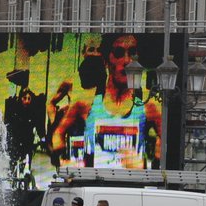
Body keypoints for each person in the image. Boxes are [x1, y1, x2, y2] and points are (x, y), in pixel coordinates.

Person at [49, 34, 163, 170]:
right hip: (94, 189)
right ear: (106, 60)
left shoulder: (148, 104)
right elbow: (58, 134)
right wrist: (64, 162)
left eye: (132, 53)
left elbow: (167, 143)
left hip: (131, 189)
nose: (127, 60)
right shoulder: (86, 101)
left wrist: (148, 165)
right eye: (119, 53)